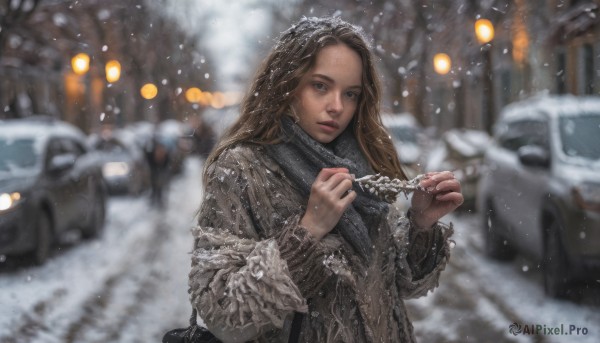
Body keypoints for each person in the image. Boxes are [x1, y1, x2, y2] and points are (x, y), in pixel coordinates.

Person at [188, 16, 463, 343]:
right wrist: (308, 231)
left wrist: (421, 223)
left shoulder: (361, 161)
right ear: (287, 84)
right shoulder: (242, 169)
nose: (337, 107)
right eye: (320, 86)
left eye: (351, 94)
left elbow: (399, 284)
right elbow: (223, 315)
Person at [146, 132, 171, 208]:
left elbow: (166, 163)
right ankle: (154, 198)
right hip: (154, 170)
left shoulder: (165, 154)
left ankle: (159, 200)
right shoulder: (151, 154)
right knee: (154, 185)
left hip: (160, 170)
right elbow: (150, 162)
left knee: (160, 185)